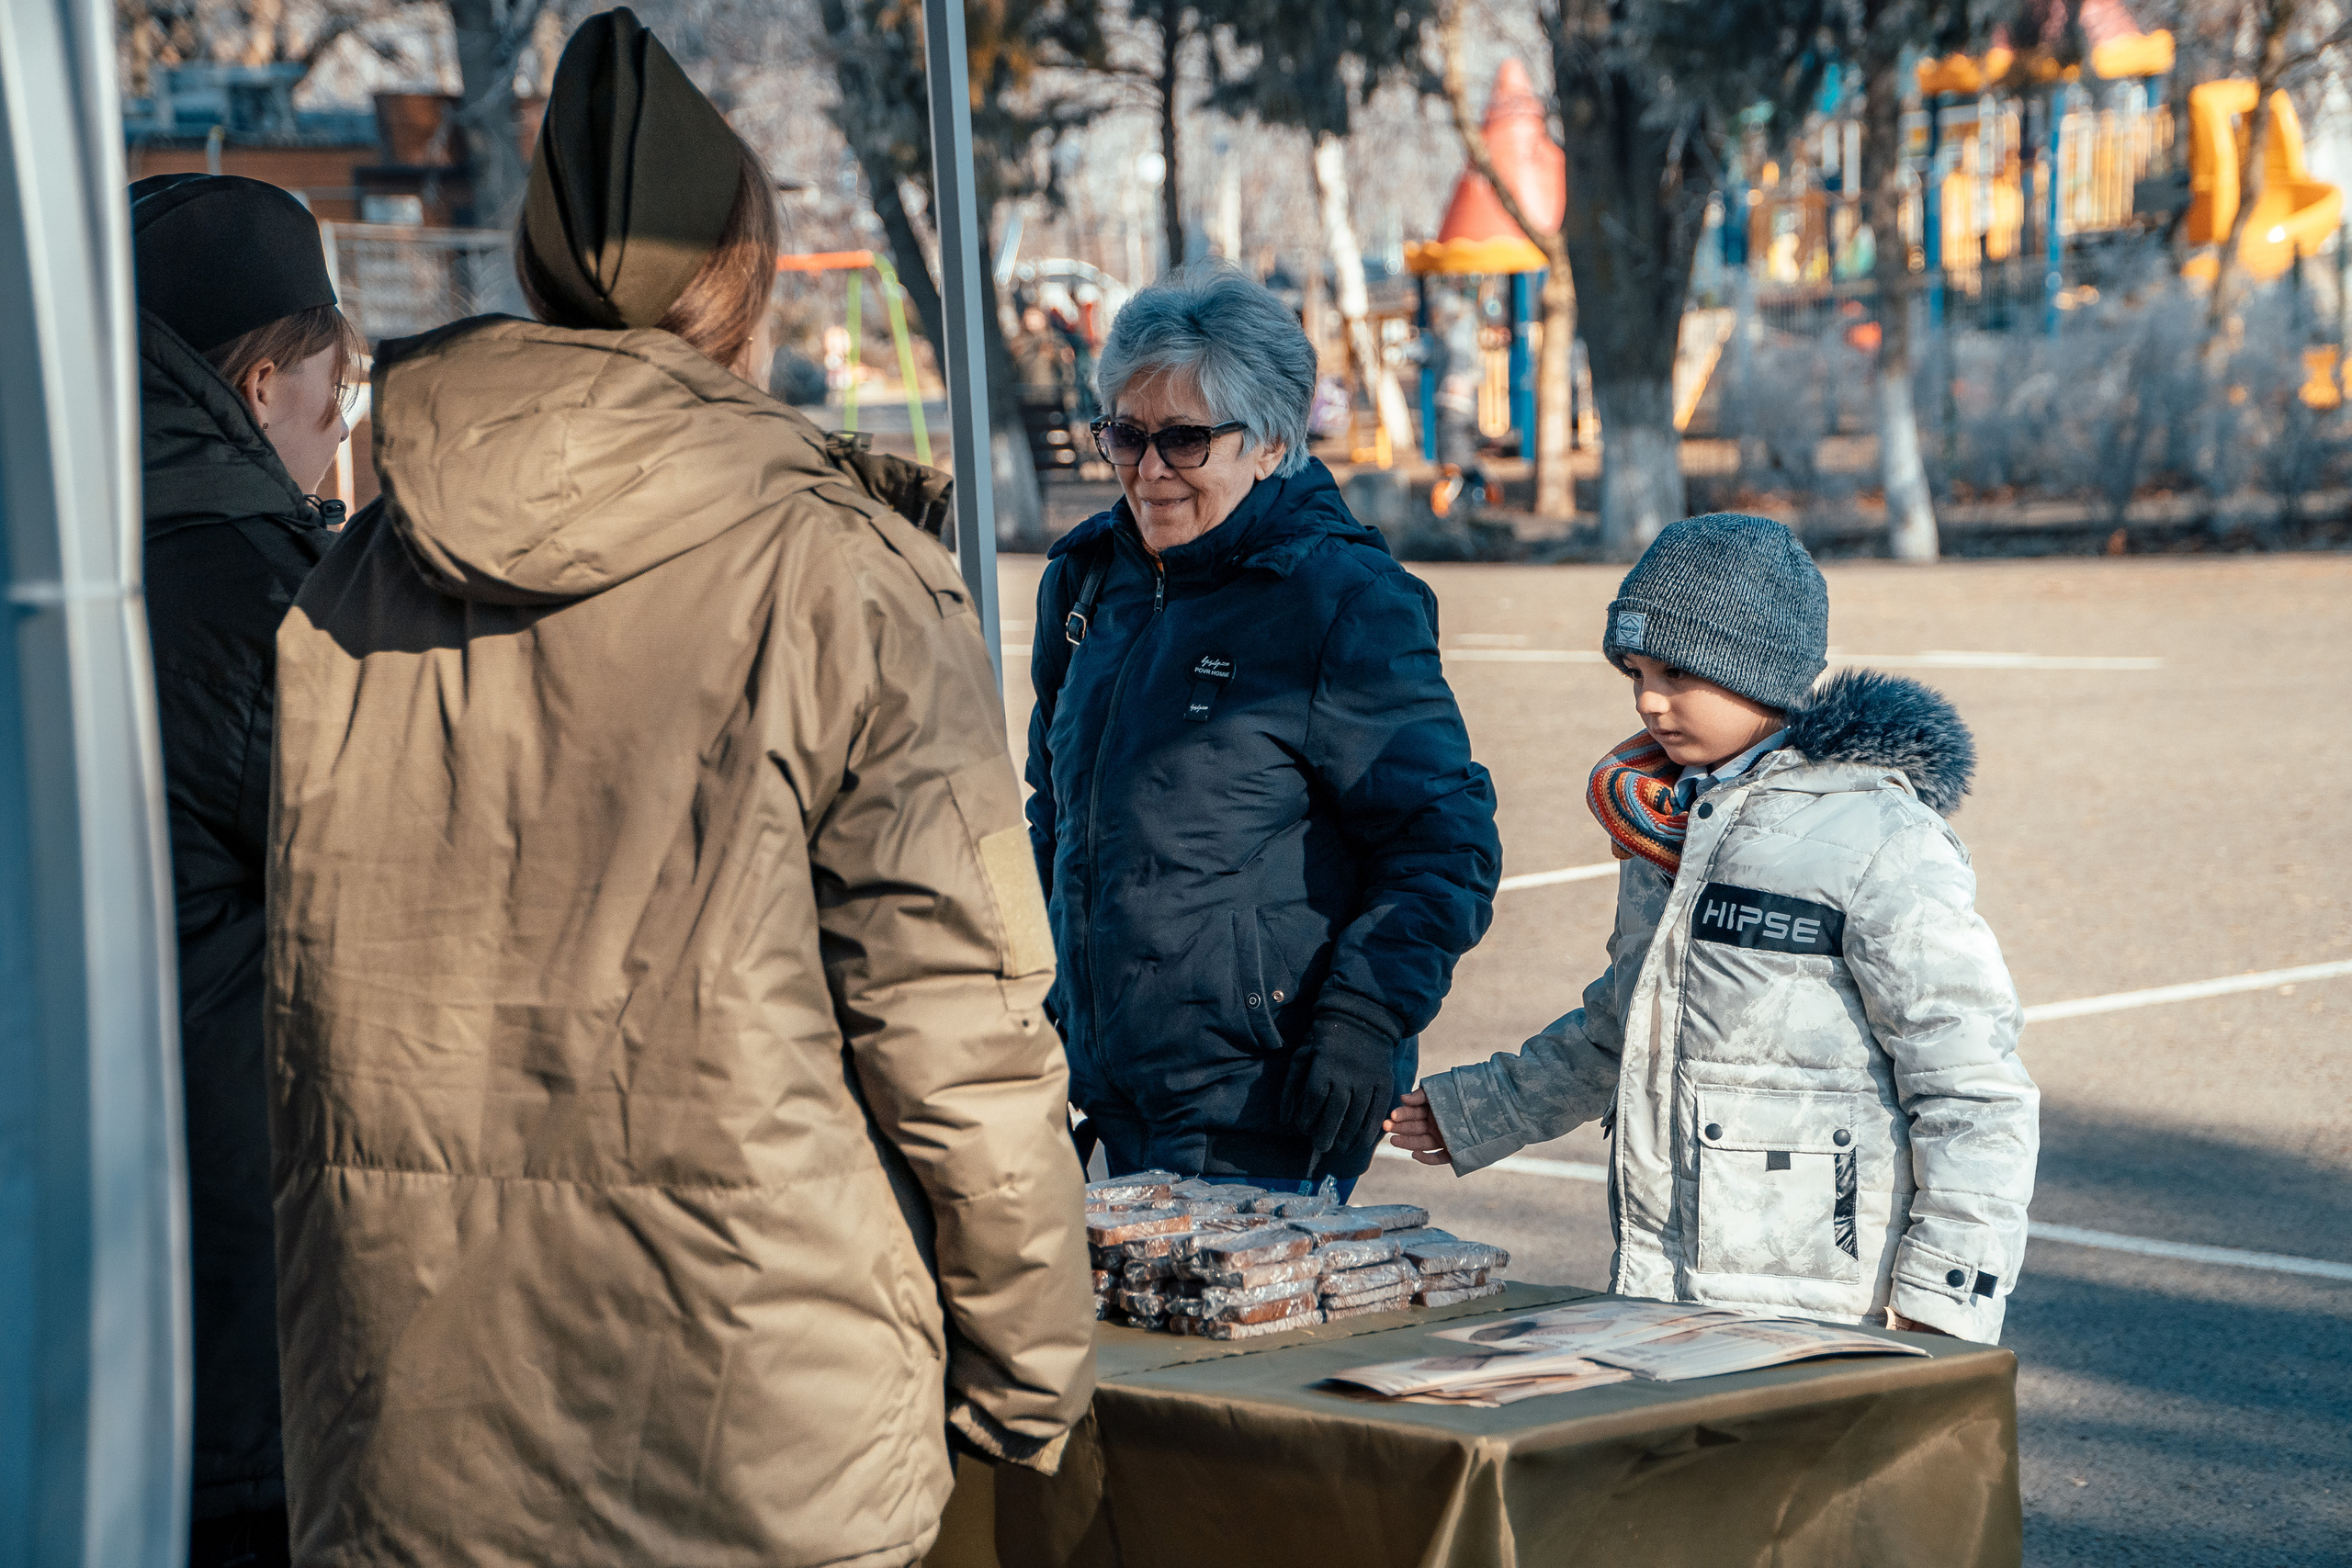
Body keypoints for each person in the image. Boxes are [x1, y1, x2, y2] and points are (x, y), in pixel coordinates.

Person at [265, 12, 1092, 1564]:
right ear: (743, 278)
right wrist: (1033, 1370)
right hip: (754, 1432)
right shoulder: (847, 578)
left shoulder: (350, 584)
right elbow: (962, 1030)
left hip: (415, 1425)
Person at [1385, 514, 2040, 1340]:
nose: (1650, 701)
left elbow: (1972, 1083)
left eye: (1679, 673)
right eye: (1635, 674)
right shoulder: (1667, 829)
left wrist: (1947, 1296)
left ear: (1758, 672)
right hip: (1669, 1281)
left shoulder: (1878, 838)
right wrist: (1480, 1108)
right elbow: (1624, 1029)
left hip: (1833, 1306)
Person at [1027, 261, 1501, 1196]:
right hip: (1098, 1085)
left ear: (1273, 444)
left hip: (1261, 1101)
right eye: (1125, 435)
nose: (1147, 470)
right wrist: (1037, 1003)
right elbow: (1055, 810)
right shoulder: (1085, 584)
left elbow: (1442, 843)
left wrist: (1365, 1016)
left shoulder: (1341, 602)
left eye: (1186, 441)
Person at [130, 170, 364, 1568]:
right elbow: (399, 867)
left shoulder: (76, 547)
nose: (340, 441)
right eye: (334, 404)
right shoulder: (247, 587)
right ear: (265, 379)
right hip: (235, 1283)